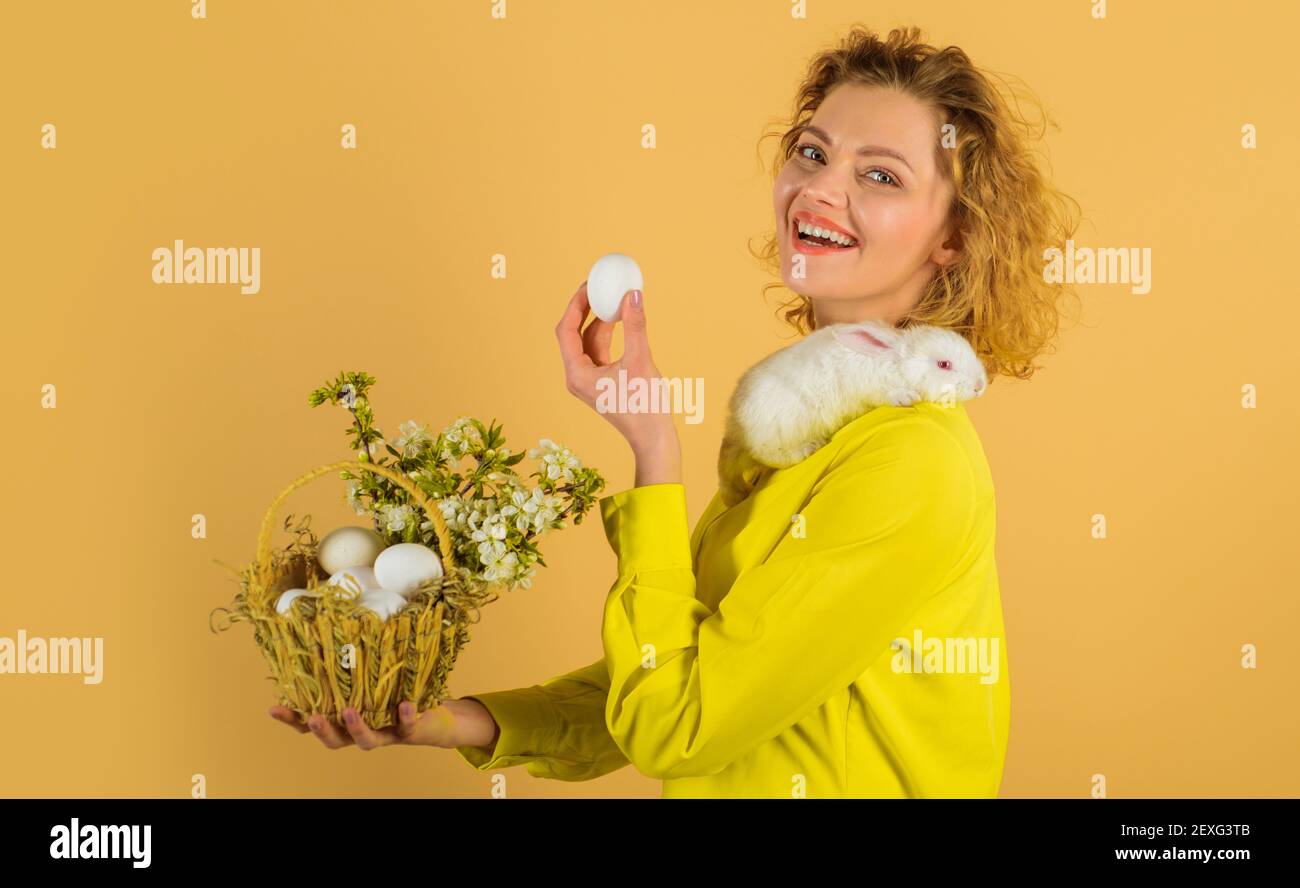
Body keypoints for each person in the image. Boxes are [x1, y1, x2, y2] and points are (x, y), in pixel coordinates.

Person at [271, 24, 1079, 798]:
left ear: (953, 239)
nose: (820, 187)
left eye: (881, 174)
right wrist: (452, 723)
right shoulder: (805, 431)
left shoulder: (909, 462)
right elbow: (677, 672)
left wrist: (654, 446)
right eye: (812, 151)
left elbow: (677, 724)